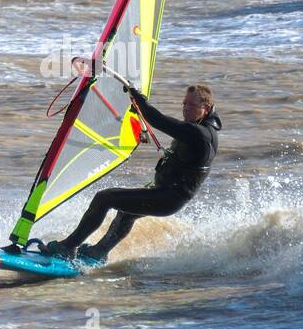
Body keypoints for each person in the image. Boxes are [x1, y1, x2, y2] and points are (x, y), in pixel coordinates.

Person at [43, 83, 221, 263]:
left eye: (191, 105)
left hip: (169, 197)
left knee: (104, 198)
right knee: (126, 213)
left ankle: (67, 247)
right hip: (167, 194)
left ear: (205, 109)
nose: (185, 109)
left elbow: (158, 120)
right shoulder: (198, 128)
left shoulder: (201, 134)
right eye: (184, 104)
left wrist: (137, 97)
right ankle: (98, 252)